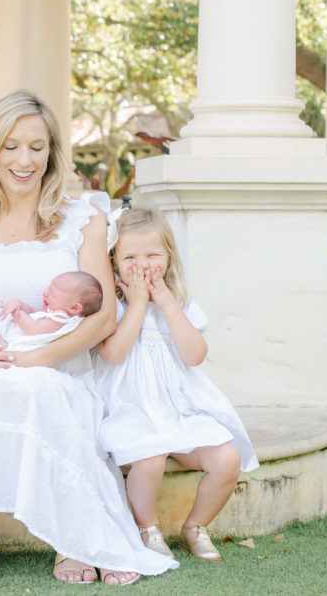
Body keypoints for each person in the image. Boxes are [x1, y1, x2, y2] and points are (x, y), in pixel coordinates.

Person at [0, 90, 176, 585]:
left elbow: (102, 319)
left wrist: (39, 358)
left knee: (40, 389)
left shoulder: (82, 219)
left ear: (53, 153)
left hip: (62, 369)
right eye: (11, 146)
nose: (24, 160)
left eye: (37, 147)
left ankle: (76, 540)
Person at [95, 207, 259, 562]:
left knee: (227, 458)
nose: (143, 265)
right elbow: (113, 355)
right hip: (130, 411)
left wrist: (167, 304)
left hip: (178, 409)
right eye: (130, 257)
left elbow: (195, 355)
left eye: (153, 255)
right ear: (114, 261)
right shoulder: (113, 307)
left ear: (169, 256)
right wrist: (137, 305)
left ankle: (196, 526)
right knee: (150, 458)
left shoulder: (180, 304)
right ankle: (148, 529)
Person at [0, 271, 102, 376]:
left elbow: (35, 330)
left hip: (23, 354)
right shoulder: (50, 313)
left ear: (74, 307)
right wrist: (19, 304)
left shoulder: (60, 318)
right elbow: (32, 311)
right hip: (16, 348)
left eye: (52, 292)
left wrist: (18, 314)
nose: (45, 293)